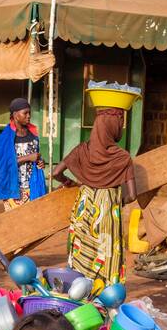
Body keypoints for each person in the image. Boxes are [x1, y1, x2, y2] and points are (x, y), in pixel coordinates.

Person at [52, 106, 136, 283]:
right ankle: (105, 296)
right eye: (119, 123)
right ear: (113, 128)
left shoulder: (81, 150)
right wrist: (119, 201)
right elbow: (132, 195)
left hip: (84, 207)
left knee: (81, 252)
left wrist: (69, 183)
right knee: (106, 255)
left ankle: (77, 292)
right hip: (107, 212)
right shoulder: (122, 157)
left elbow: (55, 173)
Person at [0, 98, 47, 210]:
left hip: (33, 188)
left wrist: (40, 161)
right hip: (14, 190)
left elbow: (36, 157)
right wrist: (28, 157)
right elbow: (4, 166)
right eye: (25, 113)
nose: (28, 116)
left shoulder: (33, 134)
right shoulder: (5, 138)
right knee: (15, 224)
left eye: (29, 113)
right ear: (15, 115)